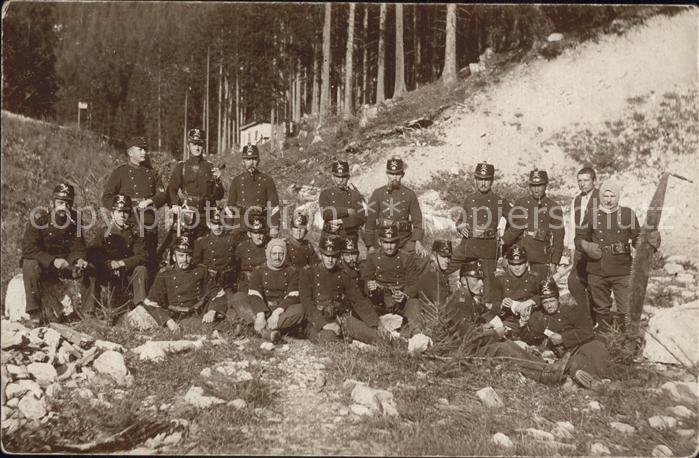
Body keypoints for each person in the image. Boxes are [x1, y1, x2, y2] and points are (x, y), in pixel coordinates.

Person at [446, 261, 571, 386]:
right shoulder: (460, 300)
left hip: (468, 346)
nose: (481, 284)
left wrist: (486, 327)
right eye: (476, 280)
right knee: (502, 347)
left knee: (508, 343)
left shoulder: (468, 298)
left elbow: (473, 324)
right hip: (460, 351)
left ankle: (547, 367)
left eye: (482, 280)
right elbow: (470, 337)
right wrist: (495, 334)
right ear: (463, 280)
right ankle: (544, 375)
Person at [574, 180, 661, 329]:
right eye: (605, 196)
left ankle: (624, 341)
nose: (608, 200)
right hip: (597, 270)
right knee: (601, 308)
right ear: (600, 196)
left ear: (618, 196)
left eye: (612, 196)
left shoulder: (627, 214)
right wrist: (586, 246)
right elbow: (578, 238)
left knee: (626, 309)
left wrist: (651, 242)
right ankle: (602, 340)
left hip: (623, 270)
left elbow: (637, 240)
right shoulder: (592, 214)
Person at [520, 278, 611, 390]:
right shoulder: (538, 317)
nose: (549, 306)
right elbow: (530, 339)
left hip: (581, 345)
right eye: (545, 303)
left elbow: (587, 331)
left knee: (595, 349)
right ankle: (590, 380)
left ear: (558, 299)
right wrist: (523, 324)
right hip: (566, 356)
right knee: (574, 363)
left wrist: (564, 338)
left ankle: (597, 379)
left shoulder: (571, 310)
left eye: (552, 301)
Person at [21, 183, 91, 323]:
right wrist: (52, 261)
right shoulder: (39, 218)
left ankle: (89, 312)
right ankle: (34, 312)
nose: (64, 207)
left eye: (68, 203)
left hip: (65, 265)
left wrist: (78, 260)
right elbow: (28, 249)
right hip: (44, 265)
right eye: (60, 202)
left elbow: (78, 245)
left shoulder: (75, 219)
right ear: (52, 203)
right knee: (29, 264)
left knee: (91, 268)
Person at [301, 236, 389, 344]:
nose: (330, 260)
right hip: (317, 321)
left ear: (338, 256)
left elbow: (359, 300)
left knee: (378, 337)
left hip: (340, 318)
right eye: (327, 255)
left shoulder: (342, 274)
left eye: (334, 256)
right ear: (320, 255)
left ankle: (407, 347)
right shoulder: (308, 273)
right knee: (330, 338)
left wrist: (376, 323)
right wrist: (324, 324)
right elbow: (307, 303)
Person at [102, 136, 168, 279]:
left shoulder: (152, 173)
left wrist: (150, 201)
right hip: (127, 221)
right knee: (126, 258)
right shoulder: (120, 172)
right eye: (140, 149)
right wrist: (120, 210)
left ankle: (147, 293)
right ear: (130, 152)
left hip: (148, 221)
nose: (144, 152)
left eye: (145, 149)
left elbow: (163, 195)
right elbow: (107, 197)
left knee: (148, 259)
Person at [142, 236, 227, 332]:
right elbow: (150, 302)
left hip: (200, 311)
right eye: (181, 256)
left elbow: (217, 292)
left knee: (231, 307)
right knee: (201, 325)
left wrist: (212, 310)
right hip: (179, 317)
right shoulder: (165, 274)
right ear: (174, 257)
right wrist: (168, 321)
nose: (185, 260)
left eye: (188, 255)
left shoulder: (201, 270)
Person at [454, 162, 512, 296]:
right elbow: (460, 221)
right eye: (480, 179)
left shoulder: (499, 201)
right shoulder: (470, 200)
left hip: (489, 250)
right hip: (470, 248)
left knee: (487, 287)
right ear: (475, 180)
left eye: (487, 179)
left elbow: (517, 221)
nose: (483, 183)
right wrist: (460, 227)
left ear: (492, 181)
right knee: (468, 284)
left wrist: (505, 239)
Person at [85, 195, 148, 320]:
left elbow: (142, 256)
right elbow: (92, 252)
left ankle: (140, 308)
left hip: (126, 272)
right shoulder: (103, 231)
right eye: (119, 211)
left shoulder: (136, 233)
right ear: (113, 213)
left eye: (126, 212)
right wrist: (107, 263)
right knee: (90, 268)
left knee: (141, 269)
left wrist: (122, 263)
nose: (122, 215)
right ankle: (89, 311)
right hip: (106, 271)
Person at [230, 239, 304, 342]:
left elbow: (293, 295)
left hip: (282, 311)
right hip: (262, 308)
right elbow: (255, 294)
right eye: (274, 253)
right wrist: (260, 316)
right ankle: (265, 330)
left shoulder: (292, 271)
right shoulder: (259, 270)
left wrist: (277, 313)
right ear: (269, 254)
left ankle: (258, 329)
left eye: (280, 254)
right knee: (238, 297)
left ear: (285, 254)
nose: (277, 257)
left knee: (301, 308)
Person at [502, 168, 565, 279]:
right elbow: (510, 231)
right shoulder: (520, 203)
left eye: (540, 185)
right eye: (533, 186)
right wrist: (506, 255)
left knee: (538, 289)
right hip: (519, 255)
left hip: (540, 256)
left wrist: (554, 262)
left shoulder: (553, 207)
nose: (536, 189)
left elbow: (558, 239)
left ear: (546, 185)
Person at [361, 224, 422, 334]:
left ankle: (411, 334)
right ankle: (376, 335)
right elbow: (365, 280)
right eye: (385, 242)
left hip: (400, 301)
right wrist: (369, 286)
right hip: (379, 300)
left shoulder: (406, 258)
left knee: (414, 303)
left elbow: (414, 284)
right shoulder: (372, 257)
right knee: (364, 311)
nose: (389, 247)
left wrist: (405, 295)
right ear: (380, 242)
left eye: (392, 242)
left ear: (398, 242)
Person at [166, 128, 224, 240]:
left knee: (206, 246)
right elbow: (171, 188)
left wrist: (218, 181)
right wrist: (174, 204)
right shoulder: (181, 166)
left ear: (203, 146)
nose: (197, 148)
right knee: (184, 245)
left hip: (206, 214)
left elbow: (219, 195)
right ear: (188, 146)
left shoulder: (210, 167)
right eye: (194, 144)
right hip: (187, 213)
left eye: (200, 144)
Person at [364, 157, 426, 257]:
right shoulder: (377, 194)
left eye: (397, 174)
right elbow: (369, 222)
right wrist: (370, 246)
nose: (394, 178)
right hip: (384, 241)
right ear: (387, 174)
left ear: (402, 175)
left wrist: (418, 241)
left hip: (404, 239)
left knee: (421, 257)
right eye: (391, 174)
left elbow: (418, 221)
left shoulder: (410, 195)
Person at [226, 143, 280, 239]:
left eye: (254, 159)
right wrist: (228, 227)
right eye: (248, 159)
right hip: (241, 225)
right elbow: (230, 206)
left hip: (261, 224)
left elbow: (274, 206)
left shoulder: (267, 180)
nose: (251, 162)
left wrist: (274, 227)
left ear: (258, 161)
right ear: (243, 161)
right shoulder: (237, 180)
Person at [567, 167, 600, 317]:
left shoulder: (602, 197)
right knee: (574, 282)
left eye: (586, 180)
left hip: (595, 247)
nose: (582, 184)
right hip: (580, 247)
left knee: (595, 284)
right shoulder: (576, 200)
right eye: (579, 181)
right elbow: (573, 227)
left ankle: (597, 315)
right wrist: (573, 252)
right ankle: (585, 313)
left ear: (594, 181)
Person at [488, 246, 541, 336]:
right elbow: (491, 303)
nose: (517, 268)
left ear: (527, 263)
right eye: (513, 264)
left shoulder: (534, 278)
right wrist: (501, 305)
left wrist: (530, 302)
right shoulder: (500, 279)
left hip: (532, 319)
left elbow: (547, 296)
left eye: (520, 264)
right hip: (509, 320)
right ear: (508, 264)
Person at [318, 160, 366, 244]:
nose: (340, 180)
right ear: (333, 177)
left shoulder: (355, 195)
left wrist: (340, 222)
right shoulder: (325, 194)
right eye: (337, 176)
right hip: (329, 237)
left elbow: (360, 218)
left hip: (349, 238)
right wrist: (347, 211)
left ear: (348, 177)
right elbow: (326, 213)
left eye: (343, 177)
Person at [192, 207, 238, 290]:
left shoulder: (231, 240)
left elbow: (237, 260)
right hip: (210, 281)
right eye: (214, 224)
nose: (217, 227)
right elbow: (196, 264)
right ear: (209, 224)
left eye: (220, 224)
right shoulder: (202, 242)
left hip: (228, 282)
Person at [234, 214, 269, 292]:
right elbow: (235, 268)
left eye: (261, 233)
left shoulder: (269, 246)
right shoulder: (242, 247)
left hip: (265, 283)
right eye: (255, 233)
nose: (259, 237)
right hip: (247, 284)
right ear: (249, 234)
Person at [415, 240, 454, 305]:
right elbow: (441, 303)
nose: (447, 260)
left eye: (449, 257)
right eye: (443, 256)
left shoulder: (438, 270)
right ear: (433, 256)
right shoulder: (431, 275)